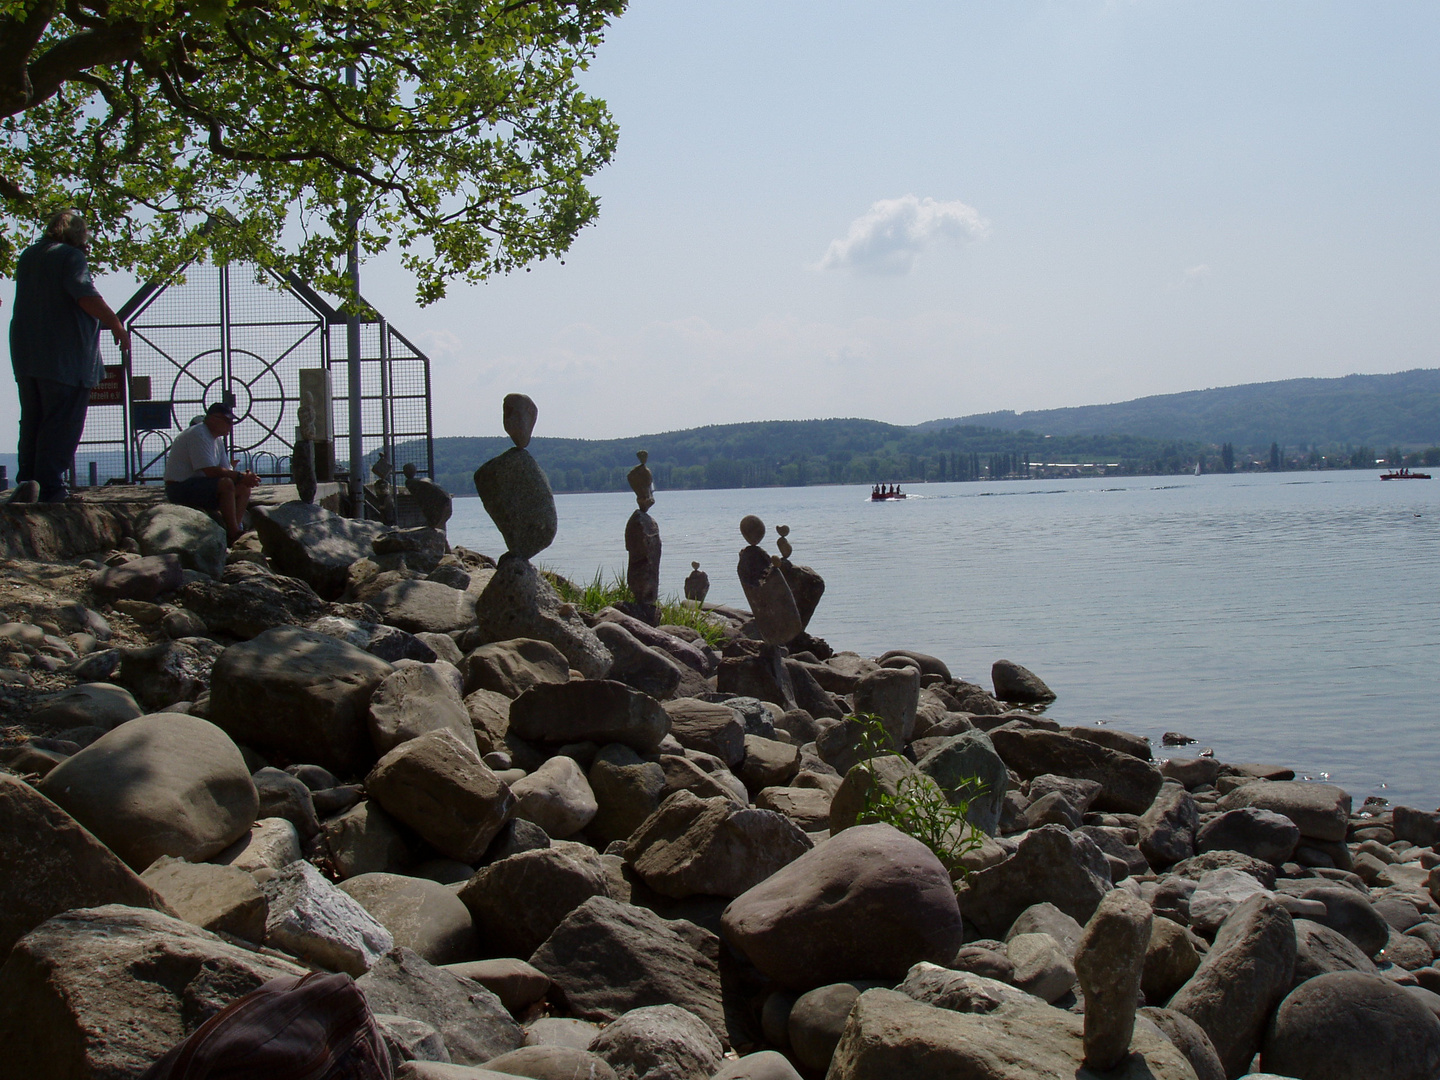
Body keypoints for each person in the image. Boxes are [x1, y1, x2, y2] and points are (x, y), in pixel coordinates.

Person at [9, 209, 130, 502]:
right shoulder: (70, 257)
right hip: (66, 357)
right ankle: (50, 486)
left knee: (33, 420)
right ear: (79, 234)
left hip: (27, 353)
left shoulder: (28, 256)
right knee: (62, 422)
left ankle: (28, 482)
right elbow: (85, 295)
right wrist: (115, 323)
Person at [164, 402, 260, 544]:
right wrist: (240, 476)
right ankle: (234, 533)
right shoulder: (198, 433)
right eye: (227, 421)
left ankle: (233, 528)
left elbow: (225, 470)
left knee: (244, 487)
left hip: (200, 486)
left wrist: (243, 478)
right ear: (213, 419)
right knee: (226, 484)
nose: (230, 425)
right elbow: (210, 471)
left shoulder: (217, 440)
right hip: (179, 487)